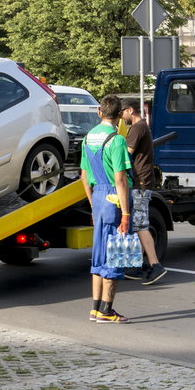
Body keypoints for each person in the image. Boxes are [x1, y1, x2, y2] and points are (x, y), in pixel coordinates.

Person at [81, 94, 133, 323]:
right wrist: (126, 213)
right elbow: (121, 180)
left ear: (99, 112)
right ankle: (107, 311)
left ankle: (95, 309)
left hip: (99, 198)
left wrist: (92, 204)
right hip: (114, 198)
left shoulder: (88, 137)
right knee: (116, 254)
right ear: (120, 115)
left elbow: (84, 176)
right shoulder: (118, 140)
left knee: (99, 254)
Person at [120, 97, 167, 284]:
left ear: (130, 110)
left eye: (122, 112)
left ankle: (156, 265)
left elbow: (126, 153)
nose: (121, 116)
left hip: (140, 182)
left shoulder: (137, 128)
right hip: (142, 181)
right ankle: (137, 266)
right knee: (139, 224)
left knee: (140, 225)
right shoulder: (141, 127)